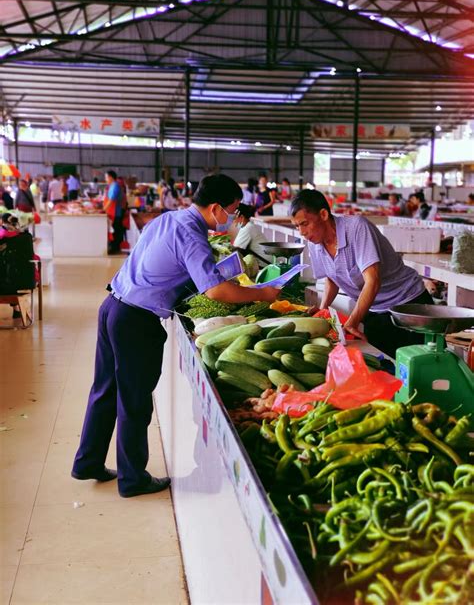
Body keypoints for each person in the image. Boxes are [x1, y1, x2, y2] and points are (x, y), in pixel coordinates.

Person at [71, 174, 280, 497]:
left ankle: (88, 462)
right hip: (136, 322)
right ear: (214, 208)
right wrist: (262, 294)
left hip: (112, 306)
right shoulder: (192, 235)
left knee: (105, 390)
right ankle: (132, 478)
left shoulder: (169, 218)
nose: (232, 218)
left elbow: (164, 265)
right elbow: (215, 291)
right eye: (232, 210)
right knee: (135, 400)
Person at [290, 190, 433, 358]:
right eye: (297, 226)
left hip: (408, 306)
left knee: (417, 367)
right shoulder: (315, 243)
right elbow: (332, 278)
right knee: (384, 365)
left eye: (305, 223)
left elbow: (373, 281)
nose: (301, 232)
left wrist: (352, 322)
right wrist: (322, 312)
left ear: (323, 214)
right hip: (374, 310)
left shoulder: (357, 228)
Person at [104, 170, 124, 255]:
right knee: (113, 230)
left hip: (116, 212)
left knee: (115, 230)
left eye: (106, 177)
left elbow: (111, 200)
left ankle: (115, 248)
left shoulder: (115, 186)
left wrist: (104, 209)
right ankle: (113, 247)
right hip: (112, 211)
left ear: (111, 177)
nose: (105, 179)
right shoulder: (112, 185)